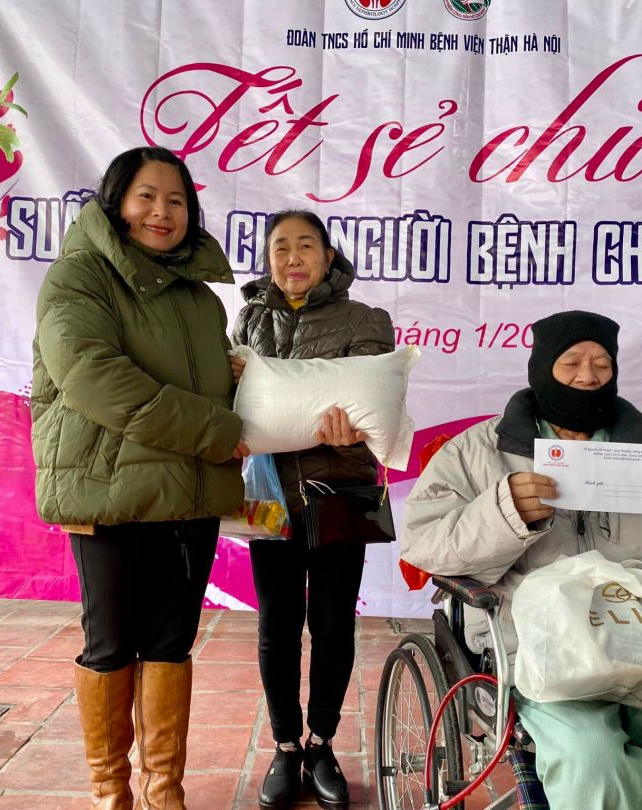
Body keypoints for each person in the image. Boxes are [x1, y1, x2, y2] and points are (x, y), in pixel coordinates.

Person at [401, 310, 642, 809]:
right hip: (539, 655)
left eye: (602, 364)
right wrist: (504, 513)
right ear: (542, 368)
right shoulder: (475, 452)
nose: (588, 377)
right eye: (572, 363)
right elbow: (425, 543)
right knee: (592, 763)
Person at [31, 146, 248, 810]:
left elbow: (207, 385)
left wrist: (247, 383)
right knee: (112, 644)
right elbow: (96, 379)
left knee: (171, 644)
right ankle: (111, 795)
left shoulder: (200, 299)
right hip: (109, 493)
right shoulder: (79, 278)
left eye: (176, 200)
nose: (162, 212)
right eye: (146, 196)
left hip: (189, 493)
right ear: (116, 201)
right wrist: (218, 431)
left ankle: (164, 793)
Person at [231, 210, 394, 810]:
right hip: (264, 493)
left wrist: (348, 431)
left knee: (331, 625)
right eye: (280, 247)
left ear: (328, 257)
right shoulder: (248, 321)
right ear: (268, 258)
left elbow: (371, 402)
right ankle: (284, 746)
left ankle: (321, 743)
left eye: (306, 245)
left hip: (340, 491)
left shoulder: (364, 320)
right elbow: (234, 398)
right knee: (276, 625)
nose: (293, 257)